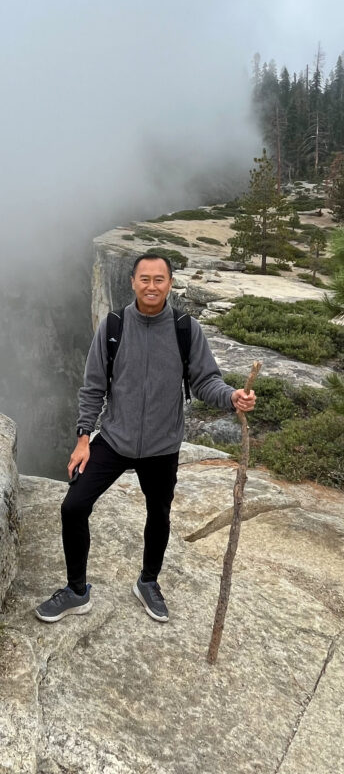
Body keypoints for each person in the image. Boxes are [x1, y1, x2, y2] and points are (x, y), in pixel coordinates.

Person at [35, 252, 256, 624]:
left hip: (162, 446)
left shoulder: (186, 330)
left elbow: (205, 381)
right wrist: (83, 438)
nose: (151, 286)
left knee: (159, 515)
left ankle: (148, 581)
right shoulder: (114, 326)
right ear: (133, 283)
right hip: (115, 438)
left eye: (159, 279)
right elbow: (92, 388)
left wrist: (232, 396)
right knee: (73, 506)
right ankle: (76, 591)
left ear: (170, 284)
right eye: (144, 279)